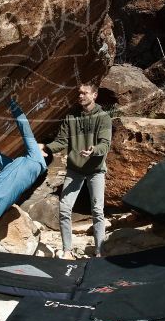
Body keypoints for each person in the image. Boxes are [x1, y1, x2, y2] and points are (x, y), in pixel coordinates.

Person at [41, 83, 112, 259]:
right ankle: (67, 250)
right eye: (79, 93)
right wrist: (46, 147)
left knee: (97, 210)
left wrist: (93, 150)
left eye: (84, 93)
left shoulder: (103, 117)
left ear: (94, 95)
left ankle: (99, 250)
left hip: (96, 170)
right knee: (64, 209)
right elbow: (62, 141)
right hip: (75, 170)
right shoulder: (71, 117)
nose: (80, 96)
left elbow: (105, 144)